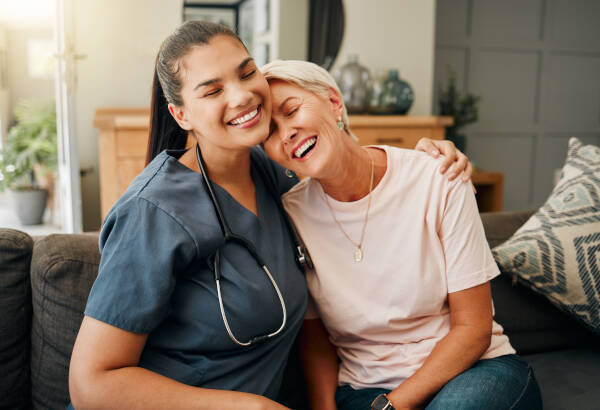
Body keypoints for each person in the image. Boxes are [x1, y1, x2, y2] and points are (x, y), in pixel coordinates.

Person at [68, 21, 471, 409]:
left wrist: (424, 158)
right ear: (181, 115)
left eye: (246, 73)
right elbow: (92, 385)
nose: (242, 96)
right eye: (212, 91)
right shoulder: (151, 211)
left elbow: (349, 163)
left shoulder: (275, 170)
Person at [261, 60, 543, 410]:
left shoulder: (437, 178)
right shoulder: (290, 215)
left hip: (474, 374)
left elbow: (474, 328)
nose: (285, 132)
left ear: (334, 103)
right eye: (269, 132)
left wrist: (392, 406)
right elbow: (315, 337)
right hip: (364, 390)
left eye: (291, 111)